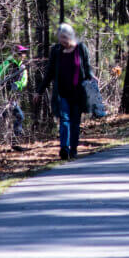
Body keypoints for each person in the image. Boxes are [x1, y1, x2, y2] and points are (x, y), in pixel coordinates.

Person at [39, 23, 94, 159]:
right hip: (62, 93)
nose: (62, 41)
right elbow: (50, 72)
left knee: (75, 123)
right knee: (64, 120)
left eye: (64, 37)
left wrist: (92, 78)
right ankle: (64, 148)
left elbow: (87, 68)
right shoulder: (56, 51)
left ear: (70, 36)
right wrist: (40, 91)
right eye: (60, 38)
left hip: (78, 93)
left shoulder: (81, 48)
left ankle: (73, 149)